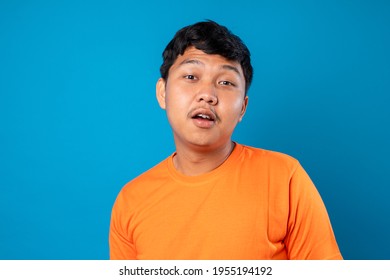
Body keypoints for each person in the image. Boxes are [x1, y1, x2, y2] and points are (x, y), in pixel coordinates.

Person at [109, 20, 342, 260]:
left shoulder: (285, 177)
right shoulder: (131, 201)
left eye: (226, 83)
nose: (207, 95)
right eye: (191, 76)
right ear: (163, 92)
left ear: (242, 107)